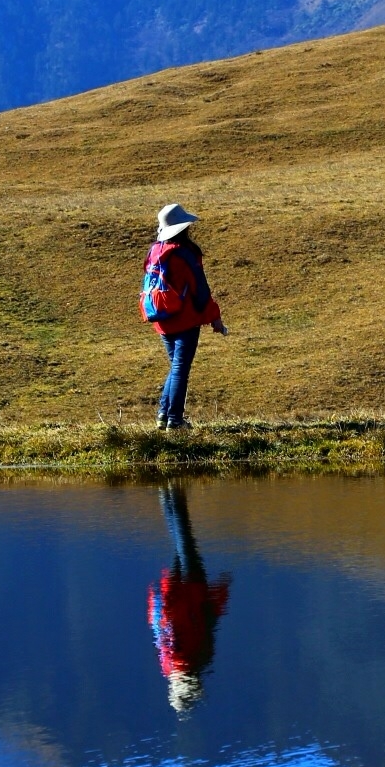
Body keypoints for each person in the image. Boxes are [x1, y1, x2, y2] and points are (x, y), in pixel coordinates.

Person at [141, 203, 226, 429]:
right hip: (185, 319)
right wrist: (214, 317)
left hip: (161, 318)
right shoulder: (185, 254)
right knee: (180, 369)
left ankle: (163, 416)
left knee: (176, 366)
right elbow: (200, 290)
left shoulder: (155, 252)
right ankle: (175, 421)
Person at [147, 484, 231, 715]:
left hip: (193, 590)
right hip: (171, 593)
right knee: (179, 543)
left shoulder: (197, 657)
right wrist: (155, 597)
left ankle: (174, 489)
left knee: (185, 540)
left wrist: (223, 589)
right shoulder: (167, 664)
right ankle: (166, 492)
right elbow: (157, 626)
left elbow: (208, 618)